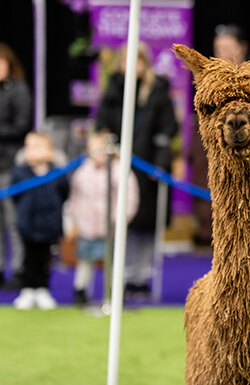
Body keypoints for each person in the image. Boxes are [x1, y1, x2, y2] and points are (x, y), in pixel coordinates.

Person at [95, 42, 178, 297]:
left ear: (145, 63)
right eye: (126, 62)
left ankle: (141, 276)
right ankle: (123, 275)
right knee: (122, 222)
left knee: (146, 224)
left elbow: (167, 131)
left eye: (137, 61)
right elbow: (102, 127)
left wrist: (161, 165)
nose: (132, 67)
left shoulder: (158, 91)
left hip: (149, 167)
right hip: (119, 167)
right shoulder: (112, 91)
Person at [189, 23, 250, 247]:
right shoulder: (206, 80)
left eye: (228, 47)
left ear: (242, 48)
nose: (222, 53)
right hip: (211, 154)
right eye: (219, 48)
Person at [64, 131, 139, 305]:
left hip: (111, 227)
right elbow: (74, 198)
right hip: (86, 226)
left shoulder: (120, 172)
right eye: (93, 150)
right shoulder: (82, 173)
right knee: (84, 259)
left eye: (101, 150)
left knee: (114, 261)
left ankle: (116, 293)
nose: (97, 155)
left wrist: (120, 219)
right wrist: (73, 220)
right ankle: (81, 290)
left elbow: (130, 197)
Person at [10, 132, 69, 309]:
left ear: (50, 152)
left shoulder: (58, 173)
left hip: (50, 226)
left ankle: (43, 289)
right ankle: (28, 289)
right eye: (29, 147)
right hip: (27, 226)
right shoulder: (20, 172)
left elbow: (64, 193)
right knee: (28, 258)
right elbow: (16, 197)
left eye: (37, 147)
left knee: (45, 259)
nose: (32, 151)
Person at [0, 43, 32, 290]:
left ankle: (21, 271)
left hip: (10, 165)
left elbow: (22, 126)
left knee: (14, 221)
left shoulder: (18, 90)